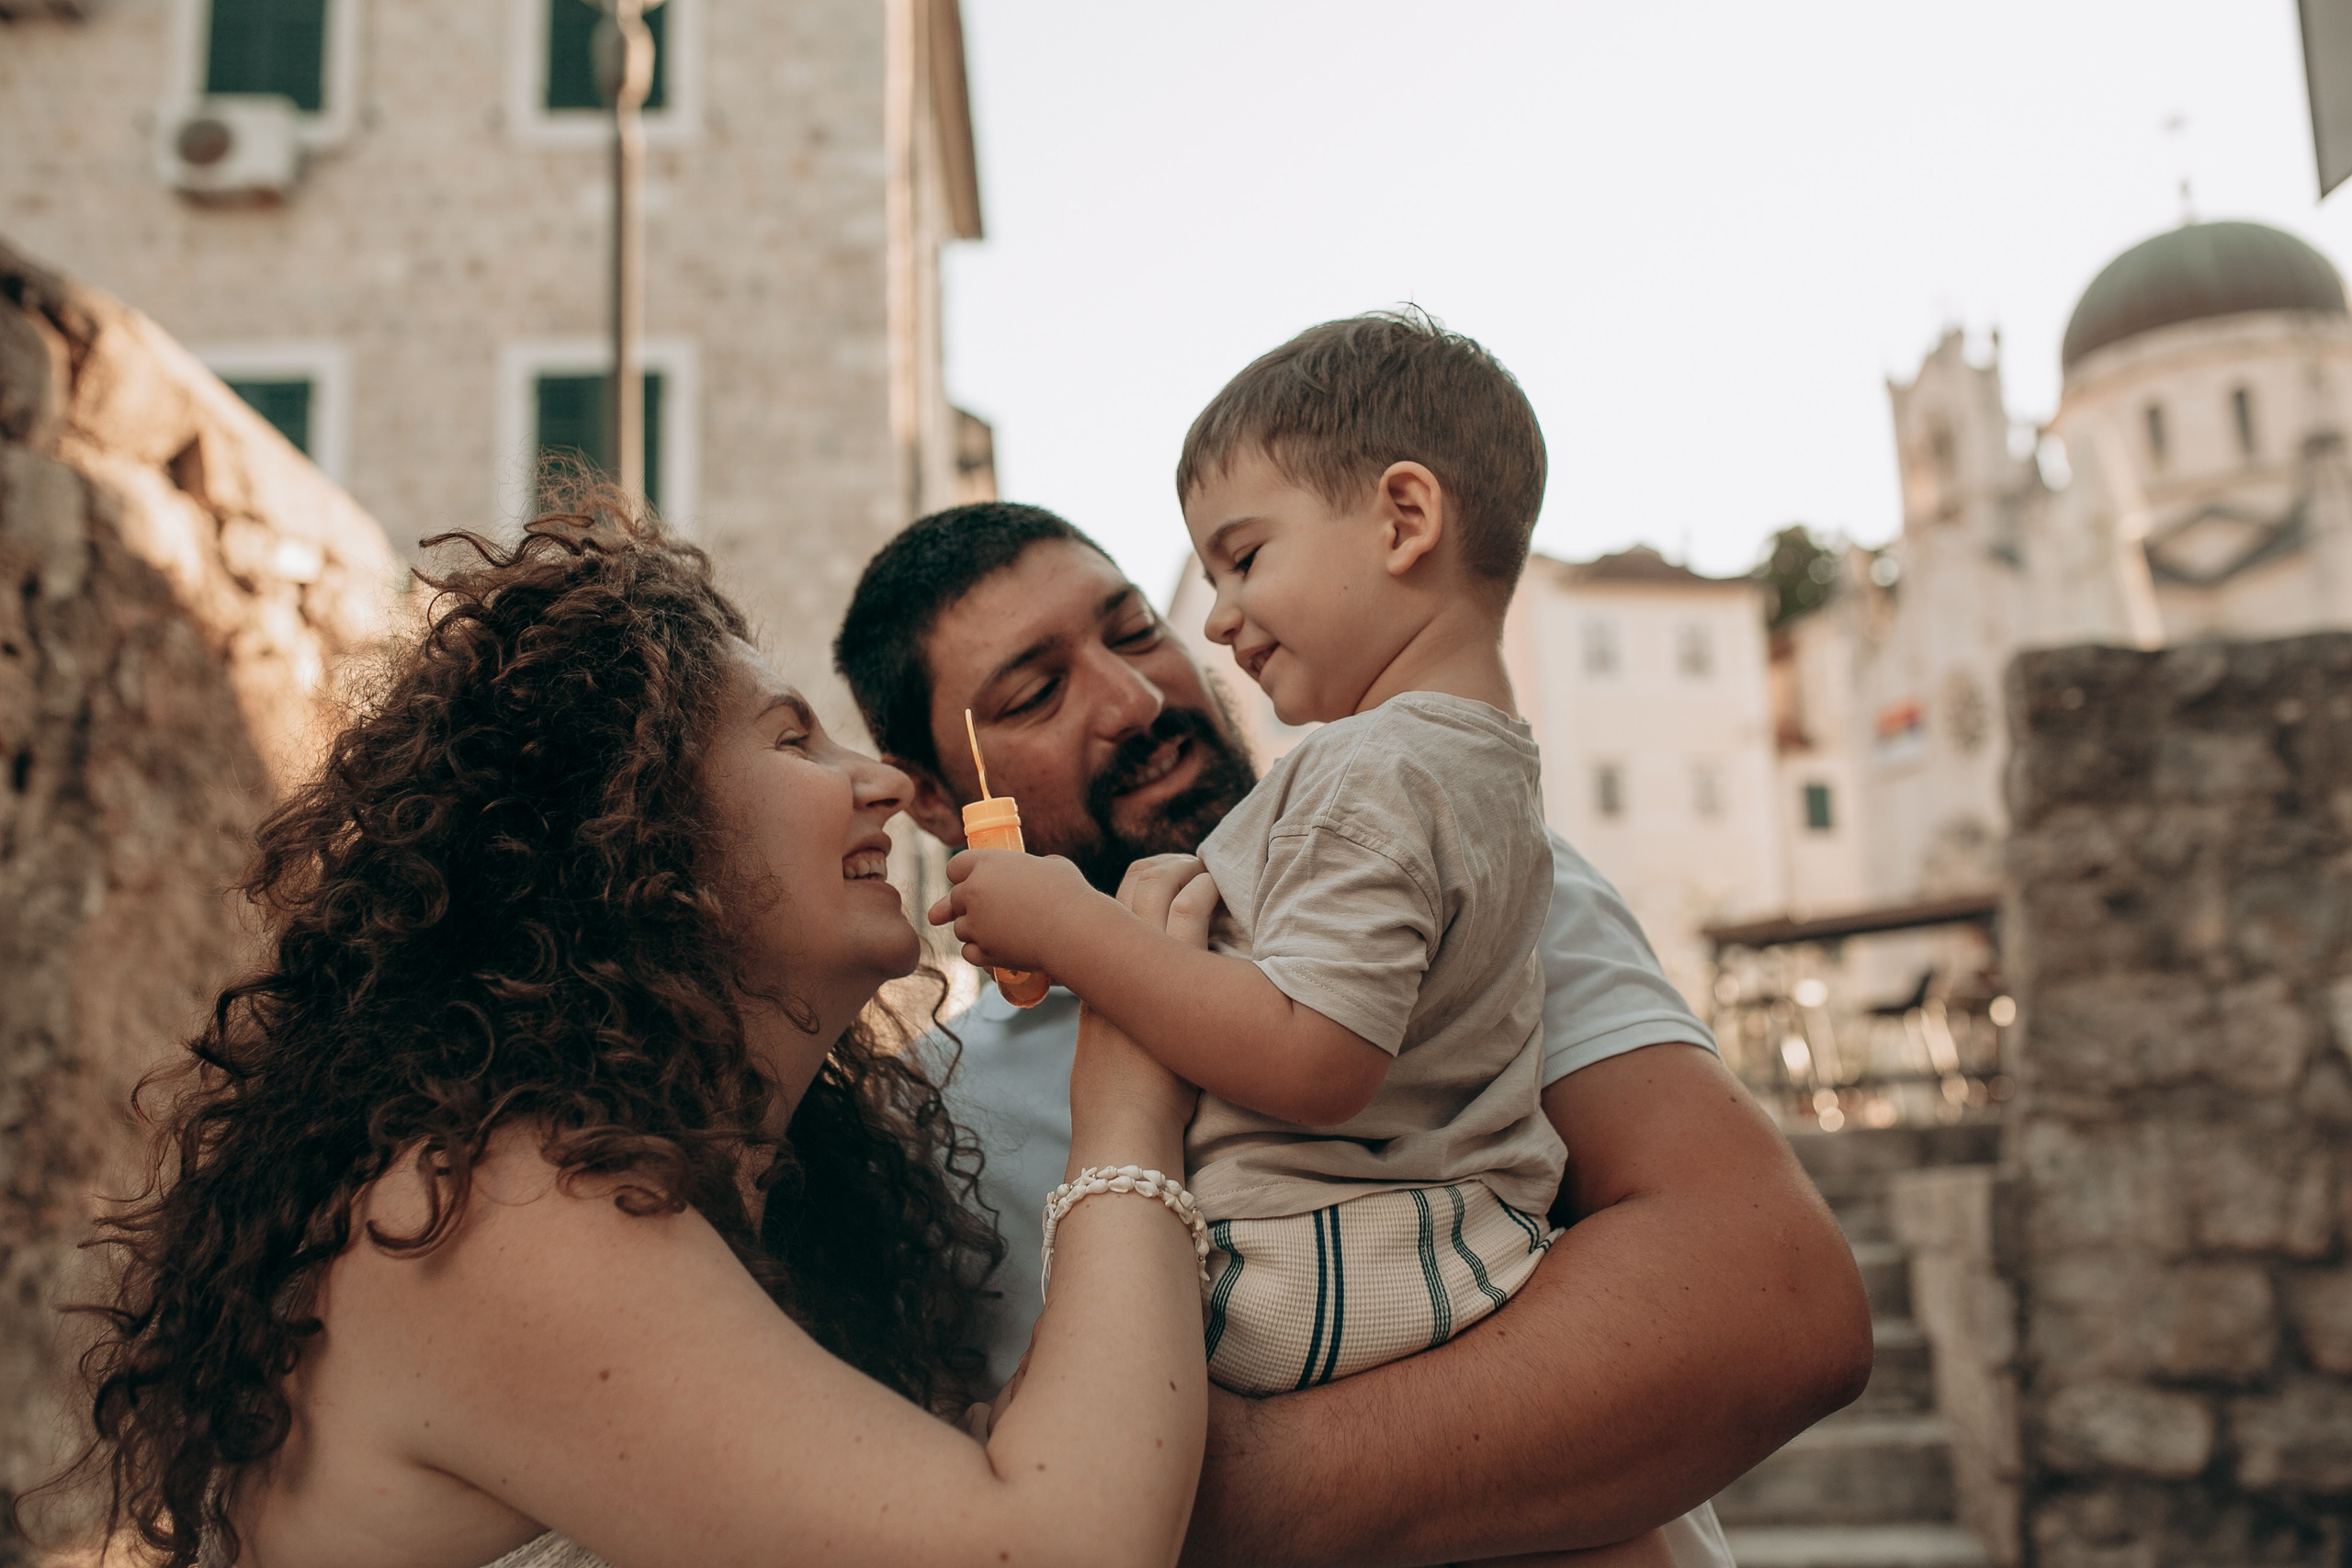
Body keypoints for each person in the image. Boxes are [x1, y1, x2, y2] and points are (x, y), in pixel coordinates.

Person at [44, 494, 1211, 1568]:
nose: (883, 788)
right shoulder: (496, 1207)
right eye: (796, 740)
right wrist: (1126, 1090)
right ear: (647, 844)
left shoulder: (735, 1198)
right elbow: (1067, 1545)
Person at [835, 499, 1875, 1567]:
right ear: (928, 801)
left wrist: (1183, 1491)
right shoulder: (923, 1122)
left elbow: (1779, 1305)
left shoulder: (1446, 861)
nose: (1135, 697)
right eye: (1037, 693)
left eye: (1137, 628)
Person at [936, 312, 1590, 1409]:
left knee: (1044, 1436)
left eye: (1242, 559)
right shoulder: (1484, 773)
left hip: (1318, 1273)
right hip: (1432, 1255)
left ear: (1403, 518)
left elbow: (1316, 1060)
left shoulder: (1370, 772)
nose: (1223, 622)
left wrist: (1070, 930)